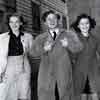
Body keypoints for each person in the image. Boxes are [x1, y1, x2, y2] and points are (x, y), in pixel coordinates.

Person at [33, 10, 83, 100]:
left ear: (58, 20)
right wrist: (44, 49)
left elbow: (79, 47)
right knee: (47, 94)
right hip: (47, 73)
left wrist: (68, 45)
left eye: (54, 18)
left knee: (65, 94)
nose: (52, 21)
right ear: (45, 22)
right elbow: (32, 52)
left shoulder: (68, 34)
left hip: (63, 72)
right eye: (49, 19)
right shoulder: (40, 38)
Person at [0, 12, 33, 100]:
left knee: (24, 93)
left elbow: (32, 53)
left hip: (24, 67)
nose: (14, 24)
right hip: (8, 68)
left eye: (17, 22)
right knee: (8, 94)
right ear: (8, 23)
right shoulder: (1, 38)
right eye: (11, 22)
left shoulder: (28, 37)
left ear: (21, 23)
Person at [71, 14, 100, 100]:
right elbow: (72, 55)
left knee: (95, 95)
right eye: (82, 24)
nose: (84, 26)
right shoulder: (75, 39)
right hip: (80, 71)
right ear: (78, 26)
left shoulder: (95, 39)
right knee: (83, 95)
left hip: (93, 71)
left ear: (90, 24)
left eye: (87, 23)